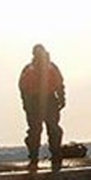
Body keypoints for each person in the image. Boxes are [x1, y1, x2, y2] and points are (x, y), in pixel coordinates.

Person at [18, 44, 66, 172]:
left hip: (47, 100)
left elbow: (60, 84)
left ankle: (54, 156)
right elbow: (23, 88)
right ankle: (36, 158)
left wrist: (61, 98)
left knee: (52, 130)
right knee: (36, 131)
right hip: (35, 102)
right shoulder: (30, 69)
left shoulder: (48, 67)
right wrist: (26, 103)